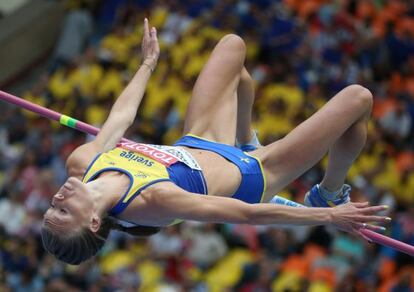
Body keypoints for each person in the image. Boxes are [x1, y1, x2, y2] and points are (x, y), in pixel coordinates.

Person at [42, 19, 390, 265]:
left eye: (50, 207)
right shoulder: (151, 201)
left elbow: (120, 120)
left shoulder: (81, 163)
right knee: (358, 100)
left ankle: (246, 137)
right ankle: (330, 189)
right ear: (92, 223)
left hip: (199, 141)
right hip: (251, 175)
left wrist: (148, 64)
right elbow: (247, 215)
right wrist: (327, 215)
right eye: (63, 211)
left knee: (232, 48)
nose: (57, 198)